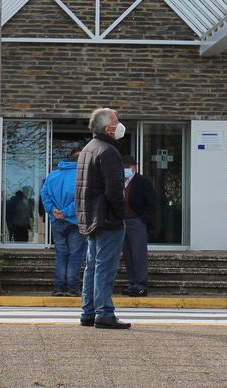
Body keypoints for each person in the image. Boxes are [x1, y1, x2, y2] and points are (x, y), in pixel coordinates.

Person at [76, 108, 131, 330]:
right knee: (104, 267)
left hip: (91, 217)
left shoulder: (88, 149)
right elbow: (114, 189)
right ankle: (104, 313)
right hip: (107, 218)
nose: (119, 125)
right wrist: (121, 213)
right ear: (108, 128)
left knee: (92, 266)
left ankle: (88, 311)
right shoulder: (108, 151)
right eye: (116, 121)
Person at [42, 148, 84, 296]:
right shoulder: (81, 177)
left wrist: (53, 210)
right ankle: (72, 288)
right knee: (75, 254)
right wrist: (65, 212)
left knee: (61, 254)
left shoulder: (52, 175)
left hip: (56, 220)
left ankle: (58, 288)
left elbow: (44, 193)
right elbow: (80, 199)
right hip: (74, 221)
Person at [121, 155, 156, 297]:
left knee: (138, 255)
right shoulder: (119, 182)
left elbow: (151, 203)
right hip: (122, 222)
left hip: (136, 221)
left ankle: (141, 285)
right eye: (124, 167)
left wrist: (143, 220)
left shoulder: (143, 181)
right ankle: (132, 283)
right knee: (128, 255)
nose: (126, 169)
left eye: (128, 166)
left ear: (134, 167)